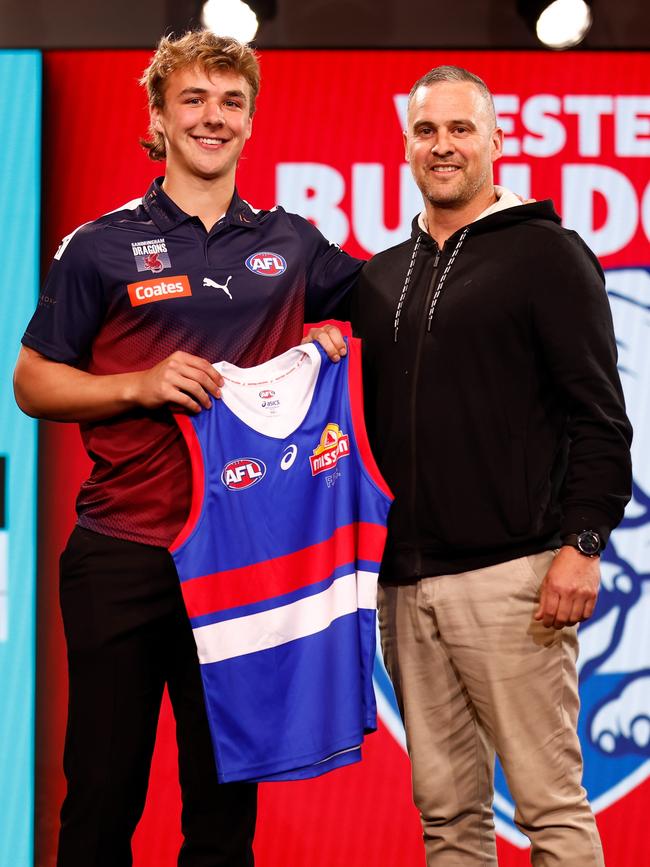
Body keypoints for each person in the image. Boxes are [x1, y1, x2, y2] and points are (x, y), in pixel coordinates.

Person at [14, 30, 362, 867]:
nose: (214, 117)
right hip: (121, 552)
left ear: (251, 121)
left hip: (242, 566)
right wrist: (139, 384)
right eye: (195, 100)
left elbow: (395, 306)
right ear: (159, 117)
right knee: (101, 799)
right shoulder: (98, 245)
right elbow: (31, 383)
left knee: (221, 811)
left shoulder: (294, 243)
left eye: (232, 102)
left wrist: (335, 338)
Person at [310, 65, 633, 865]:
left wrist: (582, 545)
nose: (443, 145)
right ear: (407, 148)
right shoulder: (381, 278)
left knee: (551, 810)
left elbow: (601, 418)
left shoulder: (550, 255)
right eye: (426, 131)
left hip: (516, 581)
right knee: (449, 820)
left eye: (460, 129)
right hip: (405, 585)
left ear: (497, 140)